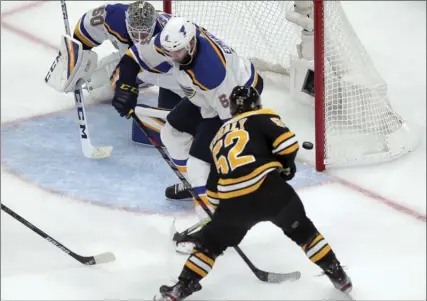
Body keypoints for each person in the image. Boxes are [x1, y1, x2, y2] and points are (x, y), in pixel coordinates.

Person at [154, 86, 353, 301]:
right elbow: (287, 145)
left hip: (233, 204)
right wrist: (285, 167)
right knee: (305, 234)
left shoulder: (218, 136)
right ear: (257, 103)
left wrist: (220, 219)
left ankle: (182, 287)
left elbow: (213, 191)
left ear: (231, 109)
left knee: (209, 245)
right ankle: (338, 276)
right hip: (271, 191)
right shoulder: (261, 116)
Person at [111, 16, 264, 252]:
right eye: (170, 52)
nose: (173, 58)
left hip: (237, 98)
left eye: (179, 53)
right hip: (201, 95)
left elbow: (232, 123)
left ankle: (211, 227)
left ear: (192, 43)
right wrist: (126, 87)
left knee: (199, 164)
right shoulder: (169, 44)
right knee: (171, 135)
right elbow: (132, 58)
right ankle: (196, 188)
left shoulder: (212, 72)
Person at [45, 1, 189, 199]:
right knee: (97, 87)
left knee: (172, 129)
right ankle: (134, 76)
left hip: (172, 77)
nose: (139, 38)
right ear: (126, 23)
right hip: (133, 64)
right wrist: (76, 56)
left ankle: (144, 82)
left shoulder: (169, 40)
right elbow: (82, 33)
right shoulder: (112, 16)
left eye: (144, 33)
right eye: (134, 32)